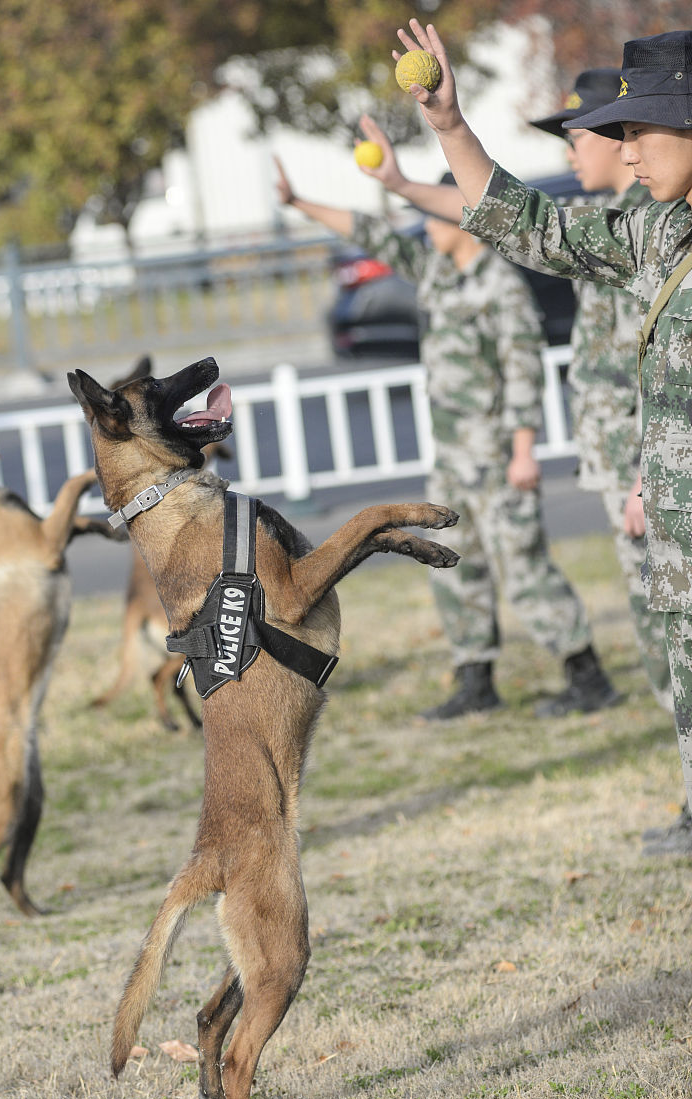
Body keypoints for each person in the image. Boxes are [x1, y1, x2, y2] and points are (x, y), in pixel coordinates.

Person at [393, 19, 692, 849]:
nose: (627, 152)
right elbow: (538, 229)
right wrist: (451, 127)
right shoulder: (663, 232)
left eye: (640, 129)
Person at [275, 149, 619, 719]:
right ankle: (475, 679)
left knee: (524, 567)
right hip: (453, 458)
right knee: (456, 567)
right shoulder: (436, 271)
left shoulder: (501, 286)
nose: (425, 228)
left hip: (498, 456)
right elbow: (371, 234)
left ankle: (587, 675)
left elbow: (524, 371)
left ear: (460, 219)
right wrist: (298, 202)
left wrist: (524, 452)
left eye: (433, 217)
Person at [530, 70, 673, 715]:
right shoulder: (626, 223)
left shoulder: (653, 225)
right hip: (628, 460)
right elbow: (520, 223)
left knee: (666, 620)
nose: (569, 153)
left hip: (650, 462)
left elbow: (662, 366)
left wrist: (646, 468)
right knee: (653, 619)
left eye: (578, 136)